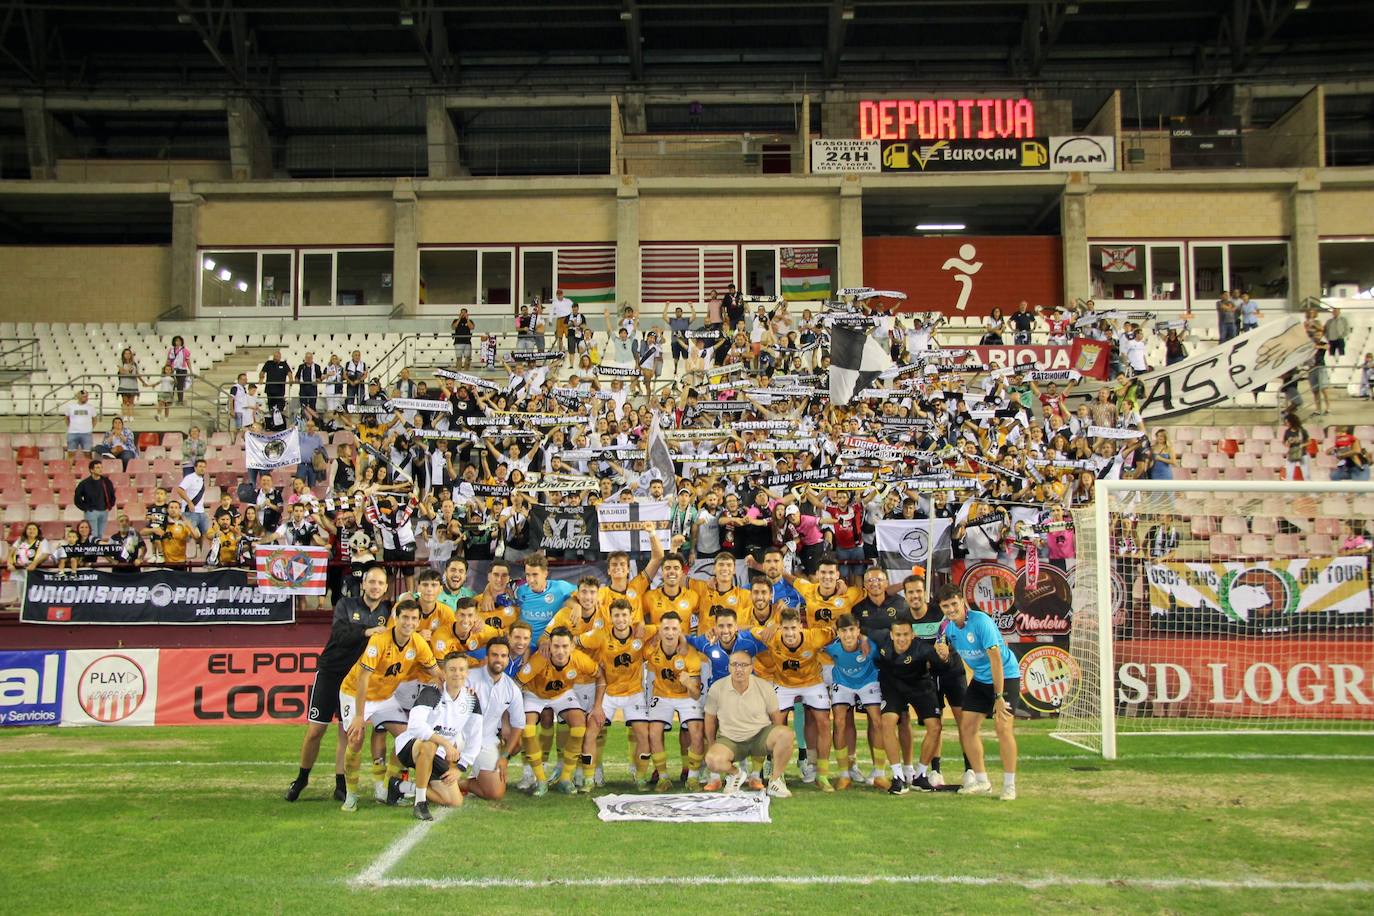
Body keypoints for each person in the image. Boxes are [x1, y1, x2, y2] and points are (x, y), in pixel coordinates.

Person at [338, 597, 440, 812]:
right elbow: (363, 678)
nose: (409, 623)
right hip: (355, 693)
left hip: (384, 697)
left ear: (418, 621)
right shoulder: (379, 640)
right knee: (356, 738)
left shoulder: (418, 643)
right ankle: (351, 794)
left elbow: (436, 672)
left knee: (406, 739)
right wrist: (359, 716)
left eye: (414, 619)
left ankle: (385, 789)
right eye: (405, 617)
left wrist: (458, 687)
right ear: (396, 618)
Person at [934, 585, 1020, 801]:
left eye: (954, 603)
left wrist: (999, 697)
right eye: (946, 606)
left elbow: (996, 659)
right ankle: (982, 781)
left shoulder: (980, 622)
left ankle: (1009, 786)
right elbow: (950, 651)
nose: (951, 609)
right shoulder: (949, 629)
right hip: (981, 679)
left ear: (962, 601)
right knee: (967, 727)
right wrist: (944, 653)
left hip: (1005, 676)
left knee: (1003, 727)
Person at [395, 652, 484, 820]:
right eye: (452, 669)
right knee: (429, 745)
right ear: (444, 672)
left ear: (467, 673)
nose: (457, 673)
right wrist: (445, 743)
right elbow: (415, 726)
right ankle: (420, 803)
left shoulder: (471, 699)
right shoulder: (432, 692)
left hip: (438, 754)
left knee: (454, 801)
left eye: (461, 669)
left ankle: (401, 786)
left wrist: (460, 767)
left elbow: (475, 736)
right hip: (411, 747)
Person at [516, 625, 601, 796]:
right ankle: (540, 781)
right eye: (556, 646)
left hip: (562, 694)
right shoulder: (540, 659)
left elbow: (600, 675)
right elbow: (517, 683)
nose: (560, 651)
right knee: (527, 729)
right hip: (535, 695)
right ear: (550, 646)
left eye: (564, 646)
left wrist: (598, 705)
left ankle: (565, 778)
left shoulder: (579, 659)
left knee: (579, 727)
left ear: (572, 646)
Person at [703, 649, 795, 798]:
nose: (739, 669)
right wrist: (712, 744)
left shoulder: (764, 686)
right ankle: (736, 774)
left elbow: (776, 718)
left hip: (759, 737)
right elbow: (710, 719)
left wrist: (778, 743)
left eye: (744, 665)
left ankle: (775, 781)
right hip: (730, 740)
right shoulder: (717, 688)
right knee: (712, 760)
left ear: (751, 667)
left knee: (786, 734)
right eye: (735, 665)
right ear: (729, 667)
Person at [868, 613, 943, 794]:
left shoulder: (923, 650)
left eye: (906, 635)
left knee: (935, 726)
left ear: (912, 635)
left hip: (920, 688)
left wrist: (945, 655)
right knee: (887, 722)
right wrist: (862, 639)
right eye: (898, 635)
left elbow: (943, 665)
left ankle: (920, 775)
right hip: (892, 688)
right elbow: (861, 630)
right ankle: (898, 776)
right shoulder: (881, 638)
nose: (902, 639)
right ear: (891, 635)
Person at [466, 636, 526, 801]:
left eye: (503, 656)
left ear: (508, 659)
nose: (498, 659)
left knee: (495, 793)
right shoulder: (468, 678)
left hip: (485, 739)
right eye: (494, 655)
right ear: (487, 657)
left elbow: (518, 725)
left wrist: (505, 757)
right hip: (458, 738)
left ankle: (462, 784)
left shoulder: (512, 689)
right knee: (441, 779)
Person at [73, 458, 117, 540]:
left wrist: (109, 506)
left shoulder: (106, 481)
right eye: (97, 467)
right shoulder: (84, 483)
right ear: (91, 470)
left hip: (104, 511)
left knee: (100, 534)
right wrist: (86, 508)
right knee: (93, 534)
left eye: (101, 467)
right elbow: (77, 498)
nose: (100, 469)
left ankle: (98, 551)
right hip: (91, 512)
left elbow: (112, 495)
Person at [173, 457, 211, 540]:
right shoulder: (190, 478)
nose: (202, 469)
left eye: (204, 467)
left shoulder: (202, 479)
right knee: (188, 535)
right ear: (195, 467)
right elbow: (179, 490)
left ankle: (202, 552)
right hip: (190, 512)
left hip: (201, 512)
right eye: (200, 466)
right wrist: (189, 502)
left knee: (207, 535)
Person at [61, 389, 97, 458]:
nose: (86, 398)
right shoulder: (71, 407)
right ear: (78, 397)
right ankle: (68, 468)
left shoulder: (91, 407)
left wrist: (90, 428)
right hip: (73, 433)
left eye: (87, 396)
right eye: (84, 396)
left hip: (87, 434)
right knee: (70, 454)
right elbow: (66, 418)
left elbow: (95, 419)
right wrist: (70, 426)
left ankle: (89, 468)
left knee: (88, 454)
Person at [165, 335, 192, 405]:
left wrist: (191, 370)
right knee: (171, 385)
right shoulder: (171, 350)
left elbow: (188, 360)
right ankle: (170, 400)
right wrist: (166, 368)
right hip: (173, 369)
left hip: (182, 370)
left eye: (179, 341)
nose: (178, 342)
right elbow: (168, 360)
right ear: (174, 342)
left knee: (180, 386)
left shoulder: (184, 350)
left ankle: (180, 401)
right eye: (176, 341)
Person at [116, 347, 141, 418]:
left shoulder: (135, 364)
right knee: (124, 401)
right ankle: (125, 416)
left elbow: (137, 374)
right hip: (124, 384)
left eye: (129, 353)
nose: (127, 355)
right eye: (126, 353)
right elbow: (121, 371)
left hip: (133, 385)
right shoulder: (121, 362)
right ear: (123, 355)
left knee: (131, 402)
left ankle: (131, 416)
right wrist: (130, 374)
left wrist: (143, 382)